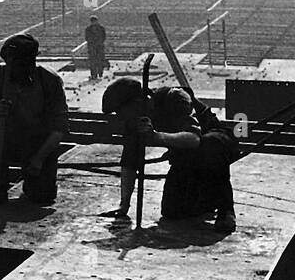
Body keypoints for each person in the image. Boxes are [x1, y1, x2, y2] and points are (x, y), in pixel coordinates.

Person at [101, 79, 239, 232]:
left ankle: (226, 211)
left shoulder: (175, 97)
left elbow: (194, 139)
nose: (120, 117)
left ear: (137, 102)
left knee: (210, 144)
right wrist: (124, 206)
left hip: (217, 144)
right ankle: (207, 201)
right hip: (185, 154)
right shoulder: (134, 120)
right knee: (172, 211)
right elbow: (129, 162)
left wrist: (156, 137)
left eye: (120, 111)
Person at [0, 33, 69, 207]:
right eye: (15, 64)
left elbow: (59, 128)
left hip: (38, 144)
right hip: (5, 141)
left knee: (42, 196)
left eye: (25, 63)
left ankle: (35, 184)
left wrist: (39, 158)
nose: (20, 69)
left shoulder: (49, 80)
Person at [85, 15, 107, 79]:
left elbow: (104, 37)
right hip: (92, 47)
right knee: (92, 61)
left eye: (94, 21)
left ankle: (100, 73)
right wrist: (92, 43)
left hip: (99, 47)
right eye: (92, 21)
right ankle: (93, 74)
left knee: (100, 60)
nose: (93, 22)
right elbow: (87, 38)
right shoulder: (88, 29)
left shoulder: (101, 28)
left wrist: (99, 42)